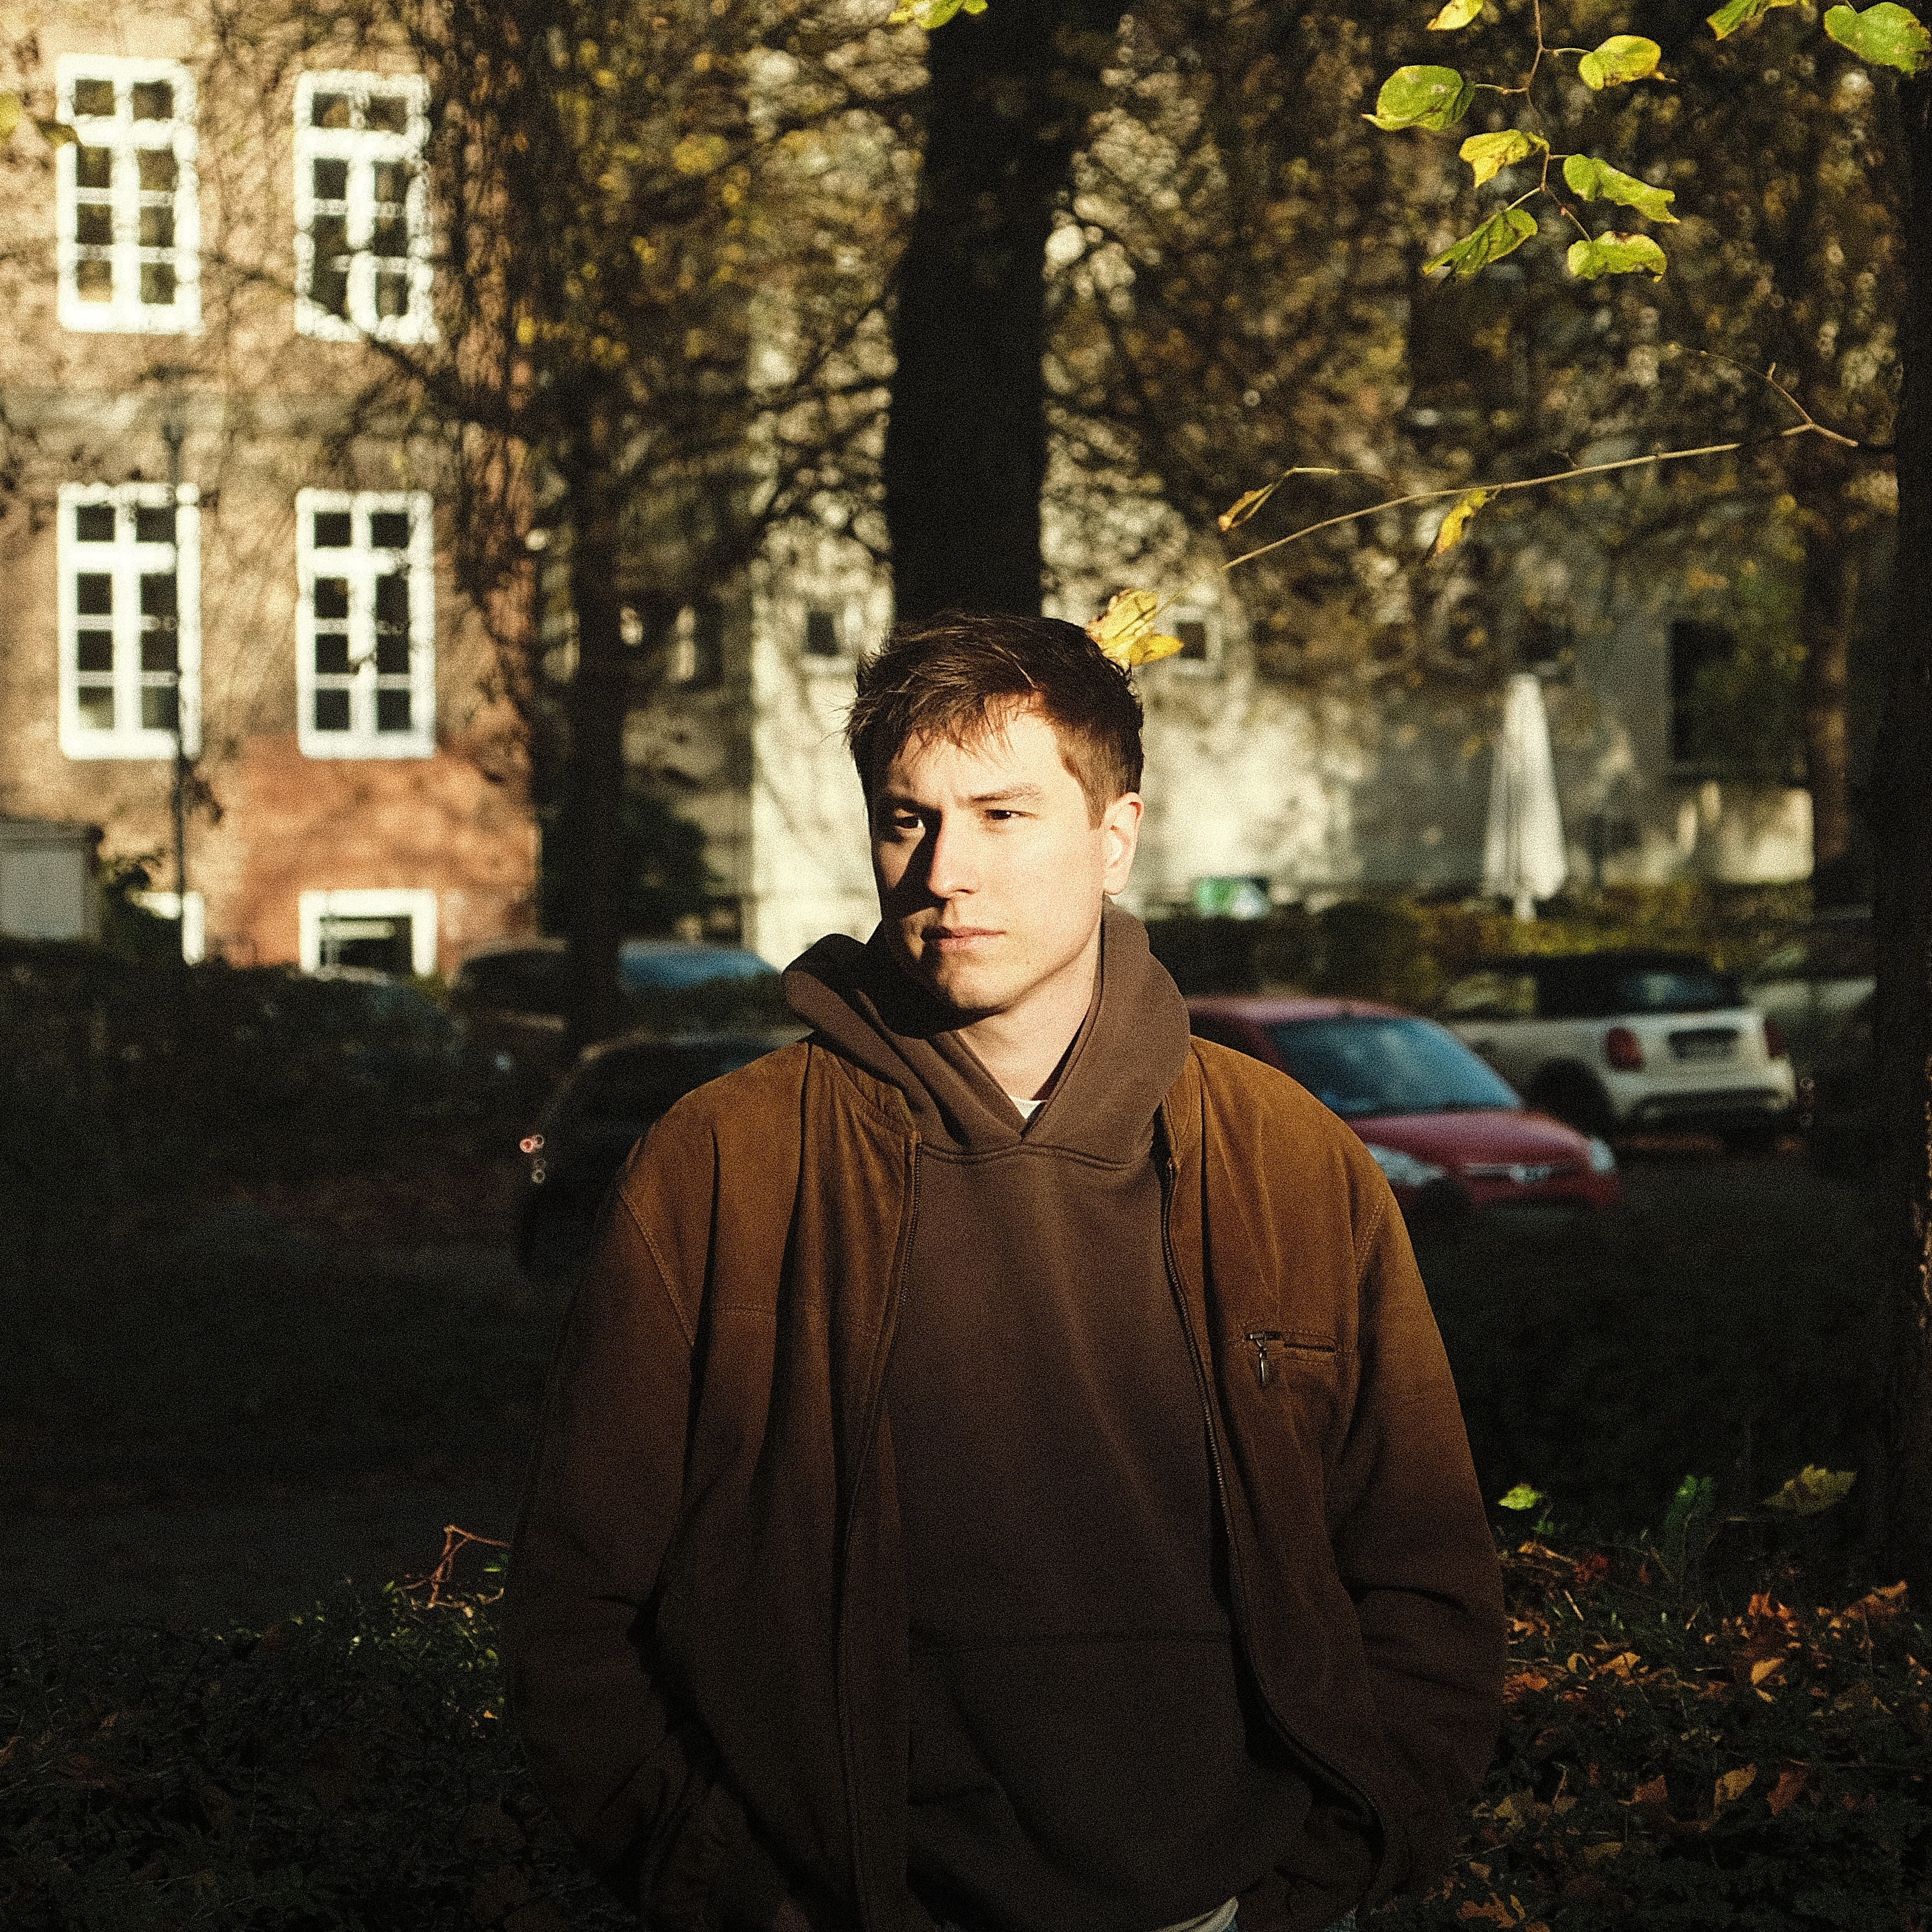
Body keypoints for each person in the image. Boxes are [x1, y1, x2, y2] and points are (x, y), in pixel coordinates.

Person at [505, 612, 1506, 1932]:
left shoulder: (1293, 1167)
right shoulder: (721, 1170)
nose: (943, 871)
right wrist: (744, 1898)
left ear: (1117, 834)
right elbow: (575, 1614)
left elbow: (1427, 1582)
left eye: (1002, 813)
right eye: (907, 819)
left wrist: (1312, 1885)